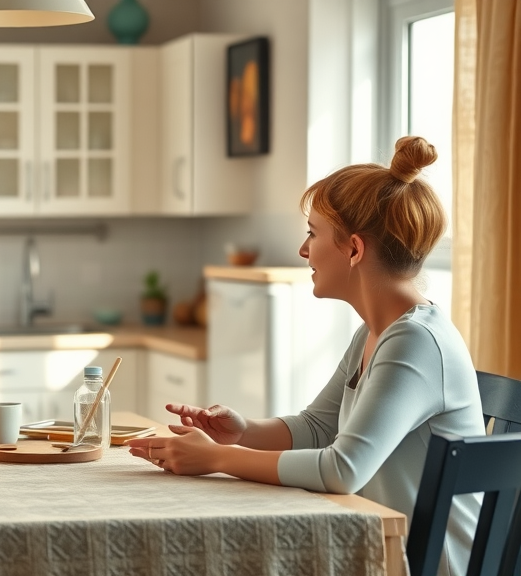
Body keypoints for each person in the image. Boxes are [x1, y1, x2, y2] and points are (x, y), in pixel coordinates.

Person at [127, 136, 484, 576]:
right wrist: (241, 432)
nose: (302, 250)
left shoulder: (415, 343)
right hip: (381, 548)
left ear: (354, 249)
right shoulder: (375, 334)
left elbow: (342, 469)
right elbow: (319, 427)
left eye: (312, 234)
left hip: (428, 565)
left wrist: (216, 459)